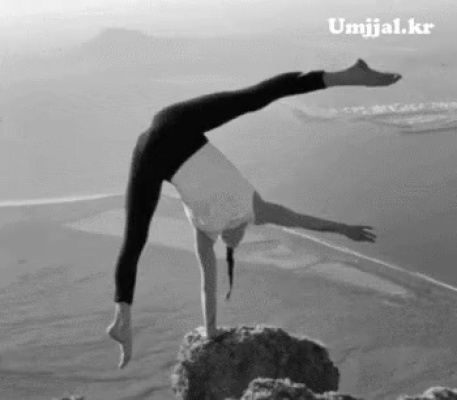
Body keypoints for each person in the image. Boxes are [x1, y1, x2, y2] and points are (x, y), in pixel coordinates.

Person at [107, 59, 402, 369]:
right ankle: (348, 76)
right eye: (237, 240)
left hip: (157, 145)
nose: (236, 239)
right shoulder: (252, 211)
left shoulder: (206, 230)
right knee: (254, 98)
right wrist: (343, 229)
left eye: (234, 241)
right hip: (170, 130)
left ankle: (121, 319)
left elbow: (208, 284)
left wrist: (211, 331)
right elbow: (303, 221)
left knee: (135, 238)